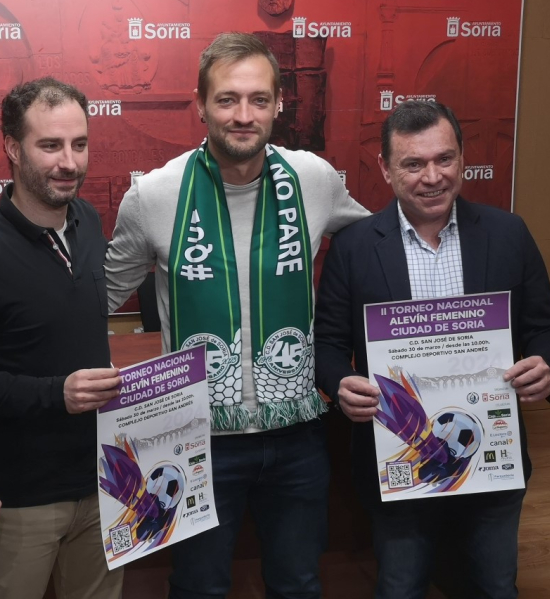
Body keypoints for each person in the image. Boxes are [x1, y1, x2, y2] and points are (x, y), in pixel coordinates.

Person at [105, 32, 370, 599]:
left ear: (279, 104)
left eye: (257, 99)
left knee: (298, 583)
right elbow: (99, 299)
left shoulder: (314, 179)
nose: (243, 115)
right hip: (198, 435)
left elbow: (376, 252)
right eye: (227, 99)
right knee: (199, 586)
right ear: (200, 105)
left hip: (299, 433)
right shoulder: (154, 195)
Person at [314, 99, 550, 599]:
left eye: (444, 159)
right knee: (400, 585)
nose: (432, 177)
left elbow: (549, 330)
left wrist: (549, 366)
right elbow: (327, 343)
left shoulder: (508, 233)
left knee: (495, 585)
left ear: (461, 157)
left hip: (491, 456)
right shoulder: (354, 247)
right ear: (387, 170)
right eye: (413, 164)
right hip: (398, 458)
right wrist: (338, 382)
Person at [0, 77, 122, 599]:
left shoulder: (88, 219)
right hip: (20, 499)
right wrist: (55, 394)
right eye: (50, 146)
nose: (69, 162)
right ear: (13, 149)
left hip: (103, 478)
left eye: (79, 144)